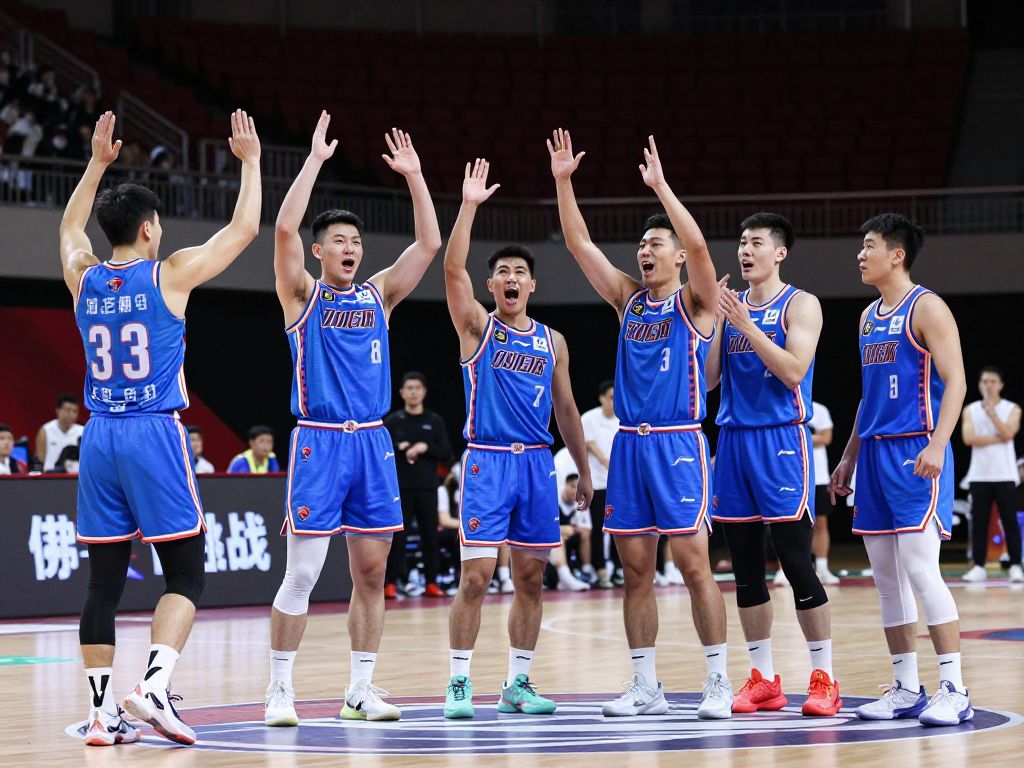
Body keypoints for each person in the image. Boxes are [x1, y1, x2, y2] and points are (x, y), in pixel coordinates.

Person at [62, 110, 261, 746]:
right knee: (185, 573)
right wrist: (251, 161)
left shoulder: (83, 276)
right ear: (150, 229)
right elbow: (243, 229)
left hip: (99, 436)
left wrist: (96, 163)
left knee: (103, 582)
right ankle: (153, 686)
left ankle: (99, 714)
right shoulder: (168, 273)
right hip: (152, 430)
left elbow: (69, 227)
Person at [264, 112, 441, 727]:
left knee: (373, 572)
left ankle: (360, 690)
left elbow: (427, 246)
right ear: (319, 252)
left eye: (356, 243)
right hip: (318, 440)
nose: (350, 249)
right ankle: (279, 690)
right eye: (338, 241)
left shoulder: (379, 295)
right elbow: (284, 226)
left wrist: (416, 178)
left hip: (372, 443)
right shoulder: (301, 296)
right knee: (304, 574)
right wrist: (313, 158)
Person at [551, 129, 732, 720]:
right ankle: (645, 685)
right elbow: (579, 245)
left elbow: (703, 251)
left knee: (693, 563)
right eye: (642, 243)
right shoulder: (628, 301)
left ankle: (717, 680)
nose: (644, 251)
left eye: (656, 243)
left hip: (679, 444)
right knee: (634, 570)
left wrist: (662, 188)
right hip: (629, 447)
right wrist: (562, 181)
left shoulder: (696, 304)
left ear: (676, 255)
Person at [441, 157, 593, 719]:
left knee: (531, 577)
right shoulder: (477, 327)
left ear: (531, 283)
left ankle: (517, 683)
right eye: (501, 272)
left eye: (519, 272)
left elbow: (568, 409)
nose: (510, 279)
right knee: (477, 578)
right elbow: (451, 270)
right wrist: (469, 206)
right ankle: (459, 682)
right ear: (491, 284)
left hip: (536, 466)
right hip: (486, 461)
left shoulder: (553, 341)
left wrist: (583, 469)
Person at [831, 213, 971, 726]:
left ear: (897, 254)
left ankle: (954, 687)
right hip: (874, 453)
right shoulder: (868, 317)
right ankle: (906, 686)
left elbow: (956, 382)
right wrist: (849, 455)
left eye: (869, 246)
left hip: (918, 451)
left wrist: (938, 443)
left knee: (920, 569)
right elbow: (869, 397)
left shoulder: (927, 306)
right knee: (886, 579)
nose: (860, 254)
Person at [707, 213, 840, 717]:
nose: (745, 250)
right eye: (741, 242)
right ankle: (763, 679)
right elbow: (712, 379)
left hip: (782, 441)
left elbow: (792, 371)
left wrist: (743, 324)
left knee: (796, 562)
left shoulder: (800, 304)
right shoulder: (732, 310)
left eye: (755, 242)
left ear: (779, 252)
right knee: (744, 569)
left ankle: (824, 677)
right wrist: (718, 322)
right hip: (735, 441)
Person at [383, 371, 454, 598]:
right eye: (409, 388)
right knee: (397, 538)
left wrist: (425, 447)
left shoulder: (434, 421)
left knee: (430, 536)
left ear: (424, 392)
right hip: (400, 489)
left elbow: (447, 454)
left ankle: (431, 582)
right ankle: (391, 582)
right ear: (402, 393)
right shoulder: (393, 421)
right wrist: (399, 447)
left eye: (417, 388)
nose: (413, 392)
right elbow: (380, 452)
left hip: (427, 488)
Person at [961, 366, 1023, 582]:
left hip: (1005, 474)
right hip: (979, 475)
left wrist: (992, 414)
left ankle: (1015, 564)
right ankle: (979, 566)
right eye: (984, 381)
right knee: (979, 523)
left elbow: (1009, 432)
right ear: (979, 385)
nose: (988, 385)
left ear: (1001, 385)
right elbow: (969, 439)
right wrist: (1000, 437)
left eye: (992, 381)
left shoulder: (1012, 408)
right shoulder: (969, 409)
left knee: (1009, 522)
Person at [580, 380, 622, 587]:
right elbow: (589, 445)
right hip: (597, 482)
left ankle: (618, 568)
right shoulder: (589, 419)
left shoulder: (623, 419)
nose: (614, 402)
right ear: (602, 398)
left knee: (619, 528)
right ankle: (600, 570)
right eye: (611, 398)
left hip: (618, 484)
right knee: (598, 527)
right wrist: (609, 463)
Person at [808, 400, 840, 584]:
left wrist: (797, 434)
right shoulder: (777, 404)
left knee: (820, 522)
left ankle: (822, 567)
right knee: (786, 524)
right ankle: (784, 569)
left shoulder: (819, 409)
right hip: (788, 475)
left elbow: (826, 437)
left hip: (818, 476)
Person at [556, 472, 593, 590]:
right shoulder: (554, 497)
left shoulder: (581, 501)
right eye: (572, 487)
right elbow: (542, 526)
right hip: (553, 538)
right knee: (559, 537)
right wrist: (561, 529)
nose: (575, 491)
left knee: (585, 534)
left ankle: (586, 570)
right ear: (565, 485)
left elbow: (587, 527)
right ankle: (564, 576)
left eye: (577, 488)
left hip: (571, 537)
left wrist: (575, 529)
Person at [35, 394, 84, 471]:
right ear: (58, 410)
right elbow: (40, 460)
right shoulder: (45, 430)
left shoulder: (83, 431)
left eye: (74, 411)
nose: (71, 414)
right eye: (68, 410)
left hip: (74, 477)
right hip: (50, 477)